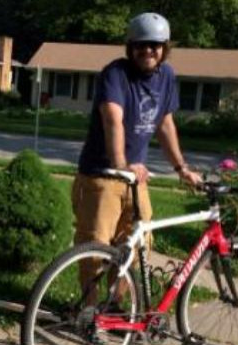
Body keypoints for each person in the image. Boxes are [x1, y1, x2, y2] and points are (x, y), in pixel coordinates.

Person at [72, 12, 202, 308]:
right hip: (102, 175)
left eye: (155, 45)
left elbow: (165, 124)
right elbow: (112, 119)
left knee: (134, 247)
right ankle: (88, 313)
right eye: (141, 45)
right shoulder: (115, 74)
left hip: (135, 179)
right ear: (130, 47)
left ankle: (114, 308)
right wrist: (121, 163)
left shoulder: (166, 76)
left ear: (164, 48)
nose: (148, 50)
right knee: (95, 250)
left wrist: (182, 168)